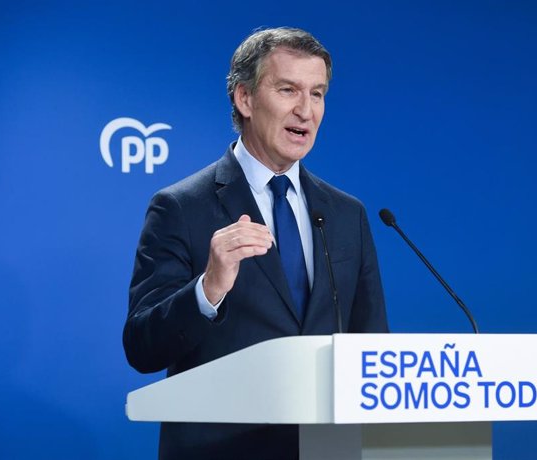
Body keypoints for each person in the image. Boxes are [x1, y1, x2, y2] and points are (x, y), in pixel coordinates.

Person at [123, 27, 388, 459]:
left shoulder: (347, 215)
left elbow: (373, 345)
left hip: (329, 449)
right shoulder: (181, 207)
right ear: (245, 99)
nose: (306, 110)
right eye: (288, 90)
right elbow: (142, 346)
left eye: (317, 93)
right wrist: (208, 289)